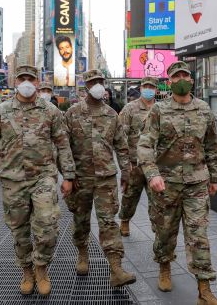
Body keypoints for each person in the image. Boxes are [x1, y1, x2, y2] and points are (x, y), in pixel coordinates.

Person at [0, 65, 77, 296]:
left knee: (47, 225)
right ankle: (27, 271)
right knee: (19, 231)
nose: (26, 82)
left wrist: (69, 176)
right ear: (15, 81)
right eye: (21, 78)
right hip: (12, 181)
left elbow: (63, 145)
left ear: (37, 81)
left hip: (43, 178)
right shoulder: (0, 112)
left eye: (30, 78)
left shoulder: (50, 111)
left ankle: (41, 268)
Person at [137, 61, 217, 304]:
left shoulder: (204, 110)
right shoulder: (159, 111)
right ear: (170, 82)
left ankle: (204, 289)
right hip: (166, 184)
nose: (181, 79)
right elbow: (145, 145)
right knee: (165, 232)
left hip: (197, 183)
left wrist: (214, 177)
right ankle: (164, 265)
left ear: (192, 80)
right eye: (176, 77)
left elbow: (212, 147)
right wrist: (152, 174)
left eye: (185, 75)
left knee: (199, 235)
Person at [64, 69, 136, 288]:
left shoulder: (112, 114)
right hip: (81, 178)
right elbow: (63, 147)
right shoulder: (72, 113)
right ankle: (83, 254)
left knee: (108, 222)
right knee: (80, 221)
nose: (97, 85)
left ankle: (116, 269)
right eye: (93, 82)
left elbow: (121, 147)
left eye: (100, 82)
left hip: (106, 178)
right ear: (85, 86)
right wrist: (68, 174)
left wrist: (126, 172)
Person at [118, 77, 158, 237]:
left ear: (156, 90)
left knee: (157, 199)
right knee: (130, 196)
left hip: (155, 164)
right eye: (145, 86)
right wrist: (125, 163)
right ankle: (125, 220)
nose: (148, 89)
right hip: (135, 163)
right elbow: (121, 137)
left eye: (151, 87)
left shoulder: (161, 108)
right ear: (141, 88)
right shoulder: (130, 108)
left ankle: (158, 228)